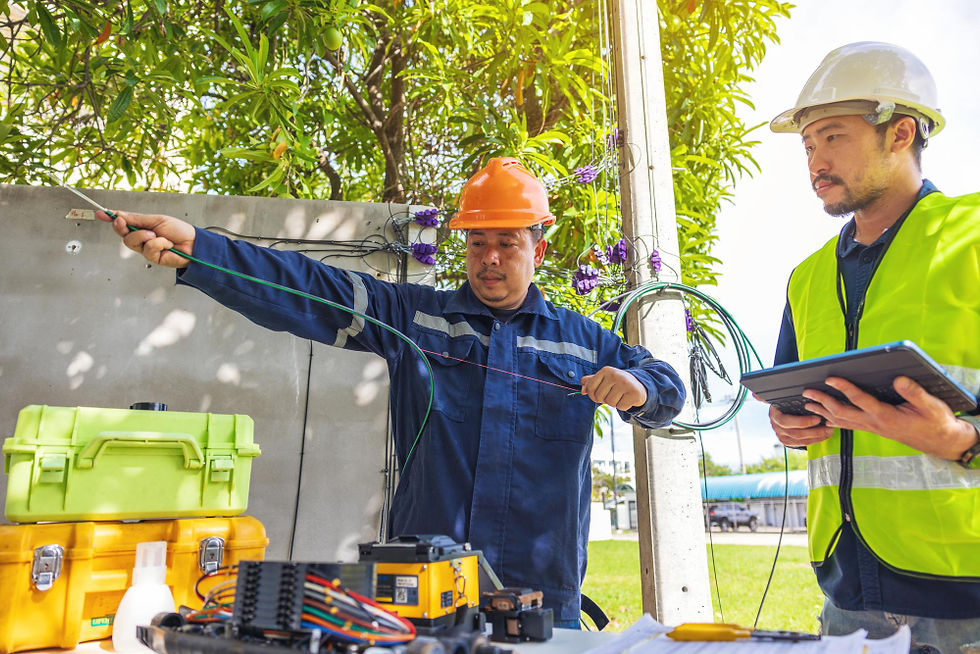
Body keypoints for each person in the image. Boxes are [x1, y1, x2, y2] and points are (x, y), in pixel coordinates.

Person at [97, 157, 686, 627]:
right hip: (421, 583)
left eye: (507, 242)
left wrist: (638, 385)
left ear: (541, 246)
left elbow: (667, 386)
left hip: (539, 592)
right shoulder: (415, 318)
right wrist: (203, 251)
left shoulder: (584, 343)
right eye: (477, 243)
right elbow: (309, 288)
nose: (490, 259)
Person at [767, 42, 980, 651]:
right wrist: (789, 423)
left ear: (901, 132)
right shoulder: (808, 276)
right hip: (847, 594)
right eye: (808, 145)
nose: (815, 160)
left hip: (966, 599)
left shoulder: (972, 236)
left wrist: (963, 442)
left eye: (832, 137)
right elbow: (794, 397)